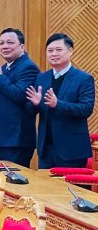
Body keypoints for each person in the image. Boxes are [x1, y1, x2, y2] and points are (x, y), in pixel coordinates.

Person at [28, 33, 95, 169]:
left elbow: (86, 109)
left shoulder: (83, 78)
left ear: (70, 51)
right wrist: (35, 104)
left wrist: (58, 104)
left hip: (71, 149)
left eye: (59, 50)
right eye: (50, 51)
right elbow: (33, 111)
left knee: (71, 190)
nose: (54, 54)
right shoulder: (42, 78)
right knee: (45, 189)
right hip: (46, 148)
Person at [0, 28, 40, 167]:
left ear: (22, 47)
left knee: (12, 185)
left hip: (15, 139)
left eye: (10, 42)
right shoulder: (3, 68)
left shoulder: (28, 67)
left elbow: (19, 95)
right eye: (1, 43)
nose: (5, 46)